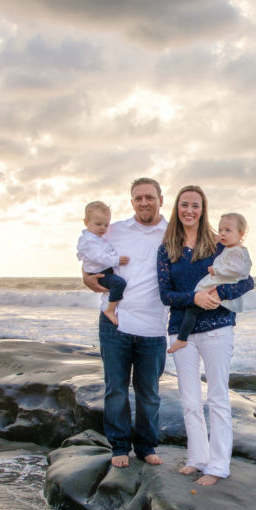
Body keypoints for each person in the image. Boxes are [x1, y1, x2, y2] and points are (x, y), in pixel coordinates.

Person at [157, 186, 254, 486]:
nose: (189, 210)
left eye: (195, 205)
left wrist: (218, 293)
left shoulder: (219, 243)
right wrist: (194, 298)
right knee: (189, 399)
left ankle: (218, 466)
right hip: (181, 331)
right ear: (177, 208)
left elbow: (247, 281)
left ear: (203, 209)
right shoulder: (167, 249)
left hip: (217, 328)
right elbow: (165, 295)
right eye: (184, 205)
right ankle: (197, 458)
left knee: (217, 397)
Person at [82, 178, 168, 468]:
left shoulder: (172, 234)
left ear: (160, 200)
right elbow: (89, 257)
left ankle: (146, 446)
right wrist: (85, 277)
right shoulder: (114, 230)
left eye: (149, 197)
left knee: (149, 394)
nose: (144, 202)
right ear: (132, 202)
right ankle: (119, 447)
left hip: (154, 327)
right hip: (115, 323)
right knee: (115, 389)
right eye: (138, 198)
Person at [167, 212, 251, 354]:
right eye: (220, 230)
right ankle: (183, 338)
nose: (222, 234)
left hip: (218, 290)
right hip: (215, 286)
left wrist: (217, 272)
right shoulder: (229, 248)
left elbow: (241, 274)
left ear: (241, 234)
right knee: (193, 308)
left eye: (228, 230)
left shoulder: (235, 252)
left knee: (192, 309)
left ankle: (182, 339)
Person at [76, 201, 129, 325]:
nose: (103, 228)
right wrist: (117, 260)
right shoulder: (88, 241)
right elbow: (98, 257)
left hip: (103, 270)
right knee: (119, 283)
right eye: (98, 224)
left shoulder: (97, 238)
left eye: (106, 225)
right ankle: (110, 310)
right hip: (99, 273)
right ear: (86, 222)